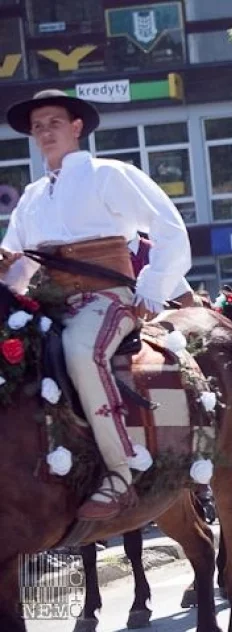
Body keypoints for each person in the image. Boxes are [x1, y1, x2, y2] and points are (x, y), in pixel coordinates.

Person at [0, 89, 191, 520]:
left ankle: (121, 471)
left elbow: (169, 227)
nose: (45, 132)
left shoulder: (108, 175)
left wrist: (152, 286)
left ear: (76, 127)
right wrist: (6, 267)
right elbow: (17, 271)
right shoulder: (30, 198)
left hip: (107, 298)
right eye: (37, 127)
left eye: (53, 123)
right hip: (48, 303)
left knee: (80, 351)